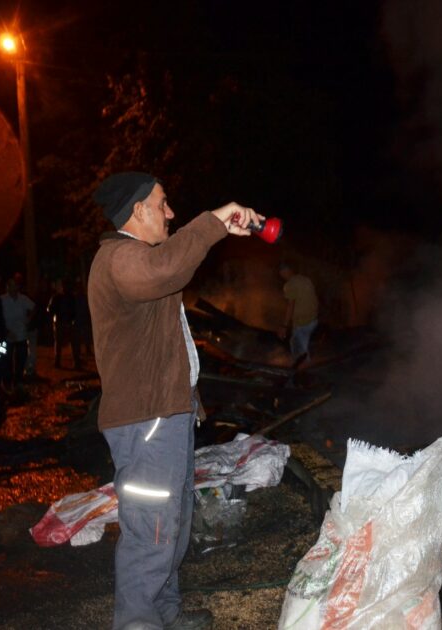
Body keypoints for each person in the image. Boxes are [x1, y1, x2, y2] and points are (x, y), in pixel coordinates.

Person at [88, 171, 261, 630]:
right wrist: (213, 220)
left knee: (173, 524)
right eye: (162, 203)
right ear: (138, 210)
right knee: (152, 530)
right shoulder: (120, 257)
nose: (170, 212)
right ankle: (138, 622)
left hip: (167, 416)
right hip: (147, 422)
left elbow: (169, 267)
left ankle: (163, 613)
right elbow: (165, 269)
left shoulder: (141, 258)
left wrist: (220, 229)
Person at [277, 262, 319, 368]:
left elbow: (290, 306)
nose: (282, 276)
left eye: (282, 273)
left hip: (302, 323)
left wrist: (284, 326)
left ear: (285, 272)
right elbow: (315, 298)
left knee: (299, 351)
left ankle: (306, 371)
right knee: (303, 345)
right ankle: (307, 365)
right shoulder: (305, 279)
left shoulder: (289, 285)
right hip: (313, 320)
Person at [0, 275, 34, 390]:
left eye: (16, 286)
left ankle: (18, 380)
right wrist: (4, 330)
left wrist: (29, 318)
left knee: (21, 359)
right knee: (7, 360)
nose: (14, 288)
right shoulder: (2, 300)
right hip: (8, 335)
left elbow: (33, 308)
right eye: (11, 286)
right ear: (8, 287)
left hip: (21, 334)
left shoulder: (23, 299)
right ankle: (7, 381)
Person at [48, 278, 76, 369]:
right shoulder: (57, 297)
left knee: (72, 342)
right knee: (59, 343)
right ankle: (57, 361)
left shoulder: (70, 297)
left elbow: (74, 309)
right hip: (60, 322)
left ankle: (76, 361)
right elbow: (50, 309)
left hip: (67, 322)